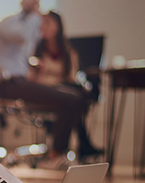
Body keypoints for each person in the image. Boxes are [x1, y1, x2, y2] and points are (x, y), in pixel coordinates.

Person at [0, 0, 90, 170]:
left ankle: (65, 151)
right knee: (72, 98)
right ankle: (55, 156)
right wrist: (36, 17)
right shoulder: (10, 24)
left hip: (19, 81)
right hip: (6, 82)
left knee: (76, 95)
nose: (36, 5)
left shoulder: (29, 29)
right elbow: (22, 37)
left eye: (38, 0)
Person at [31, 11, 102, 161]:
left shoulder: (69, 52)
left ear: (57, 26)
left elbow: (71, 77)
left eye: (47, 23)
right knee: (77, 98)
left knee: (76, 95)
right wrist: (51, 79)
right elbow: (33, 80)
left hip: (63, 91)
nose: (43, 27)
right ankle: (78, 145)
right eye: (42, 23)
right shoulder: (35, 49)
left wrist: (51, 77)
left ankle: (61, 150)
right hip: (43, 93)